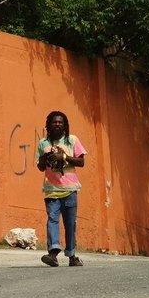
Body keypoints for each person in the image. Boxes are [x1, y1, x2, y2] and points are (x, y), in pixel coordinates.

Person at [36, 111, 87, 267]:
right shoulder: (43, 143)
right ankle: (53, 253)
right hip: (51, 190)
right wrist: (45, 158)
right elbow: (40, 166)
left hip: (70, 189)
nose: (57, 124)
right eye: (54, 122)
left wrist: (63, 157)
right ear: (49, 125)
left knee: (70, 224)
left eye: (60, 122)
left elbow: (81, 162)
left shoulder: (72, 140)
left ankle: (72, 256)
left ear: (65, 126)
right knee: (52, 220)